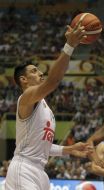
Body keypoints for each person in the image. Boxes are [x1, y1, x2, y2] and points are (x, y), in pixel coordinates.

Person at [5, 22, 92, 190]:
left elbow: (42, 147)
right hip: (24, 169)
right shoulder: (27, 97)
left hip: (40, 172)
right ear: (23, 80)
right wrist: (69, 46)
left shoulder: (45, 107)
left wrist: (69, 149)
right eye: (34, 71)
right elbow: (53, 81)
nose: (40, 73)